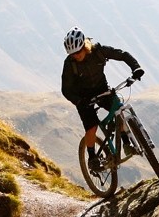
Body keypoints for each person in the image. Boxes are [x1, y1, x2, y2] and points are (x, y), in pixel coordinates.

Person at [60, 27, 144, 171]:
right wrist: (79, 101)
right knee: (91, 127)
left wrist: (136, 68)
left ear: (84, 46)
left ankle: (126, 144)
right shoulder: (70, 64)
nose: (76, 56)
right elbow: (66, 90)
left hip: (102, 90)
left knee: (119, 110)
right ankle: (92, 158)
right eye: (72, 54)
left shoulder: (98, 51)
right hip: (83, 98)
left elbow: (122, 55)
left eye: (78, 52)